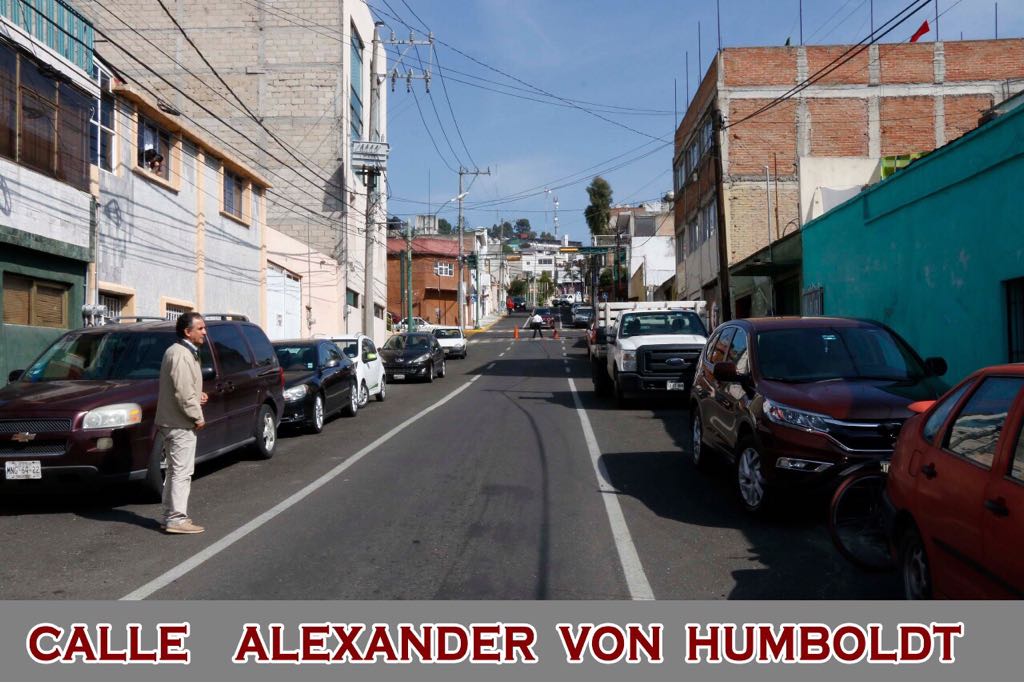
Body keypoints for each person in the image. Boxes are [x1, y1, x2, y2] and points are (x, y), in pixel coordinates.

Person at [155, 312, 209, 534]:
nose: (204, 332)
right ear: (187, 332)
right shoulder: (181, 354)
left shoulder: (183, 352)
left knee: (174, 470)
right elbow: (183, 393)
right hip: (179, 422)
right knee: (181, 472)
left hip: (173, 420)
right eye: (200, 328)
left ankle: (170, 515)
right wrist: (197, 416)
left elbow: (184, 388)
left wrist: (198, 395)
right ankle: (177, 519)